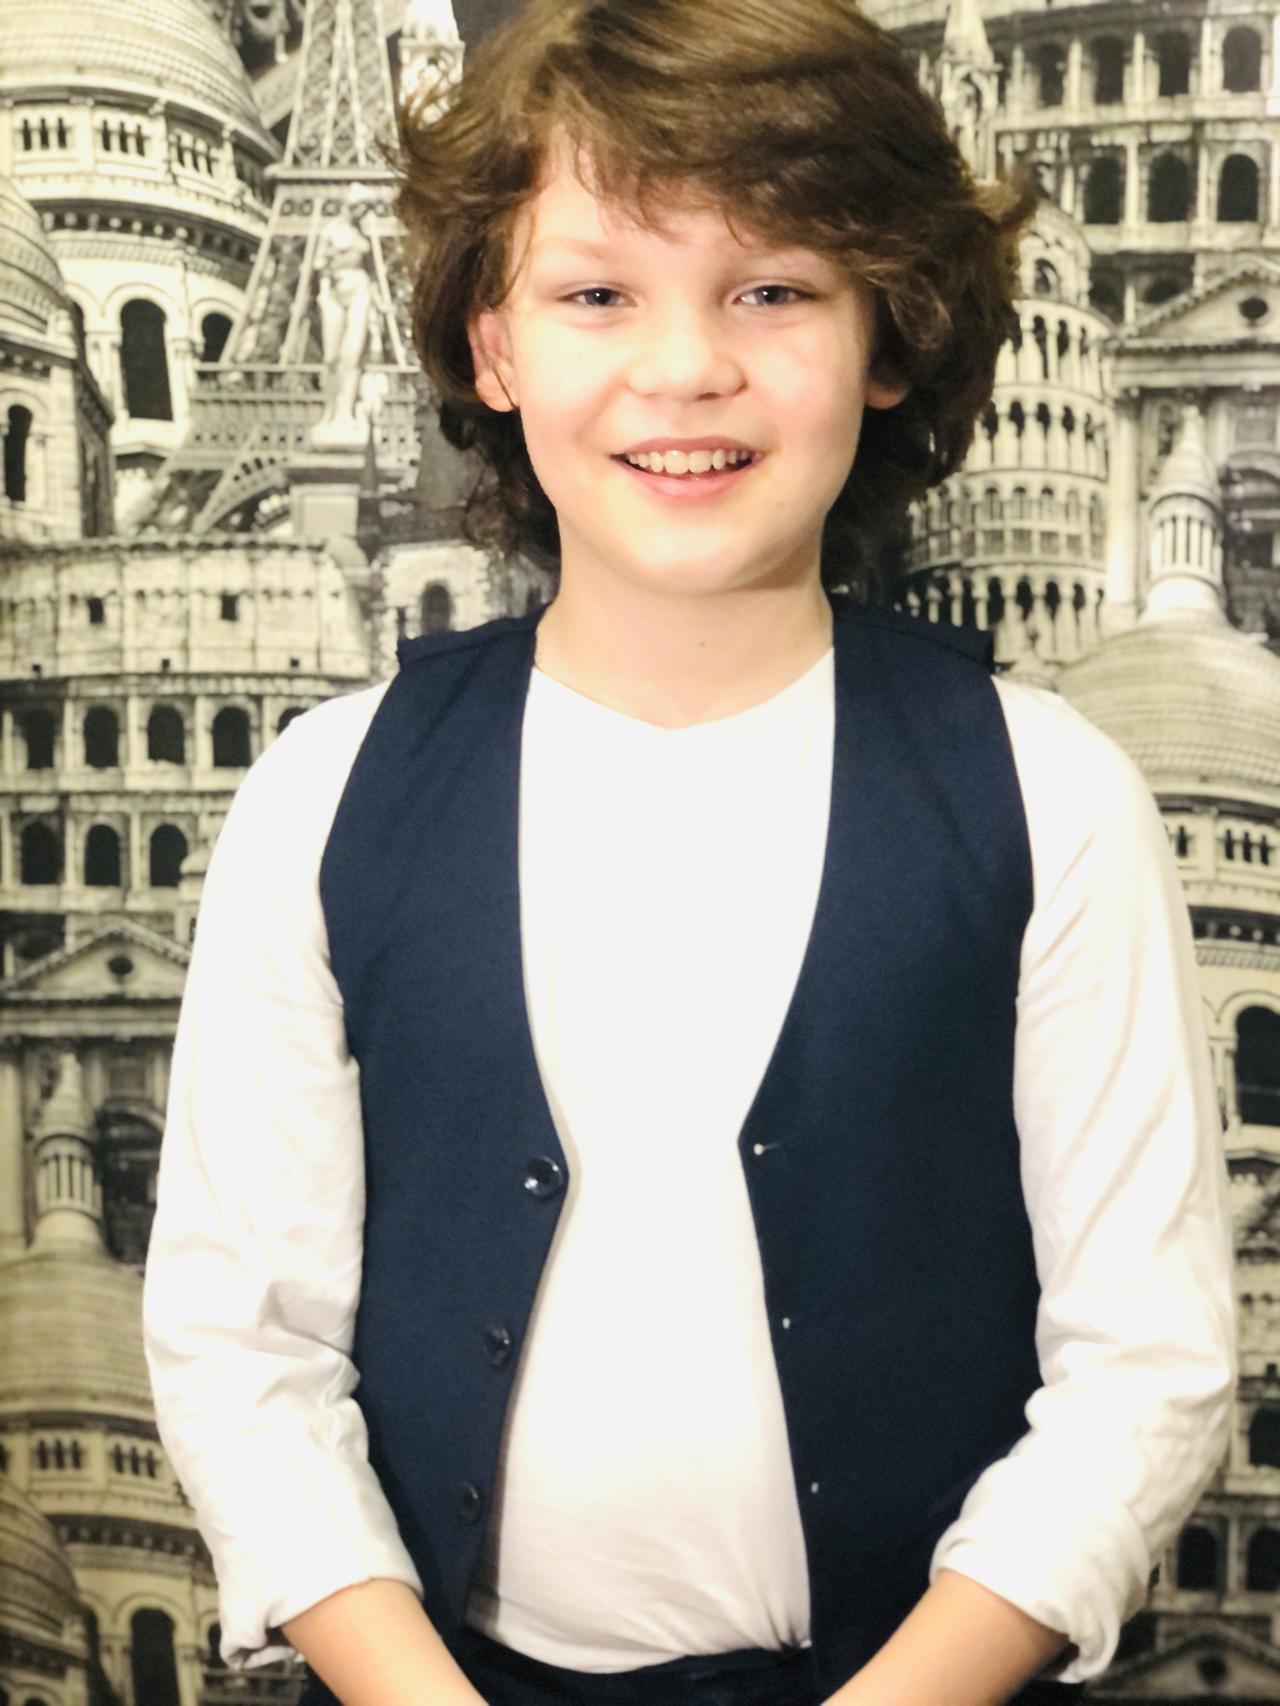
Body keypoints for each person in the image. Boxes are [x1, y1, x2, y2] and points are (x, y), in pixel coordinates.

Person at [141, 2, 1238, 1704]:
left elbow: (1145, 1368)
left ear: (888, 336)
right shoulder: (320, 798)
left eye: (773, 289)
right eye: (597, 294)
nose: (685, 368)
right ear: (490, 346)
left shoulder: (1055, 798)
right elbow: (240, 1345)